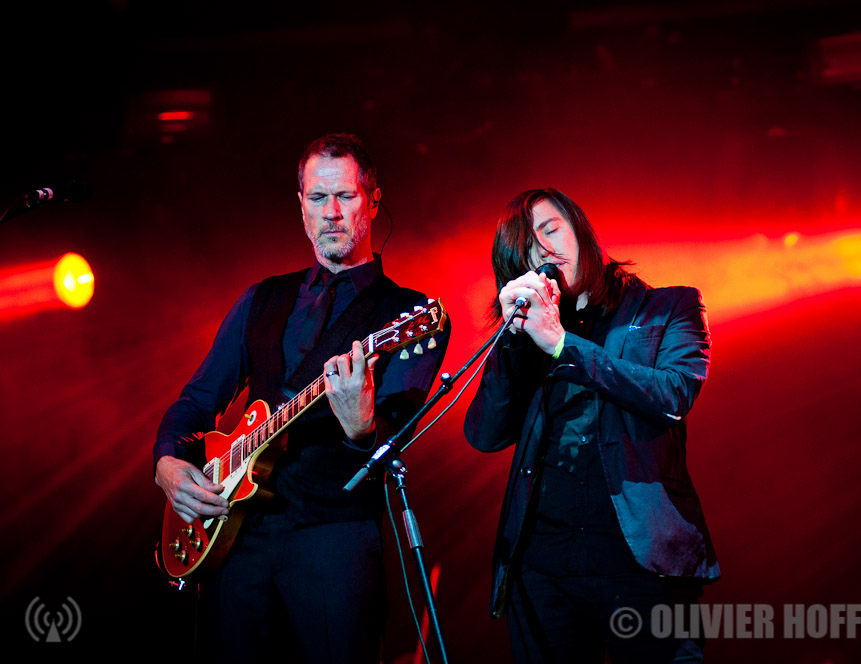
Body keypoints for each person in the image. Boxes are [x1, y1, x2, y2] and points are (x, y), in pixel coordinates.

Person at [153, 133, 449, 663]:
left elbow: (395, 437)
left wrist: (362, 428)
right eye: (317, 198)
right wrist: (168, 463)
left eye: (346, 197)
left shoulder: (411, 315)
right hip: (235, 537)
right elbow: (197, 402)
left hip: (334, 538)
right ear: (301, 207)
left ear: (373, 200)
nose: (331, 213)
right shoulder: (262, 297)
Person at [464, 188, 719, 663]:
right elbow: (484, 434)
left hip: (641, 567)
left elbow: (672, 395)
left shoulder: (668, 309)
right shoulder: (530, 336)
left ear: (581, 229)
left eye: (550, 229)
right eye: (525, 246)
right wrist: (511, 342)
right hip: (542, 570)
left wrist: (563, 345)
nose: (541, 249)